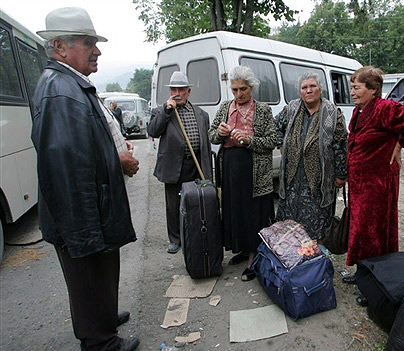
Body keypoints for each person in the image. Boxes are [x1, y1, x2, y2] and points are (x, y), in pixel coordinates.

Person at [32, 7, 139, 351]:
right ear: (61, 47)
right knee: (88, 277)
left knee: (100, 275)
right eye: (88, 42)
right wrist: (84, 234)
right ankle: (100, 341)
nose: (97, 50)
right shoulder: (61, 91)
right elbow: (67, 168)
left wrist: (113, 156)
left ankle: (102, 318)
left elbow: (86, 149)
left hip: (93, 209)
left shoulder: (69, 83)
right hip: (83, 216)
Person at [342, 66, 404, 305]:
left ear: (373, 90)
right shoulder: (359, 110)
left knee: (374, 233)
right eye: (352, 86)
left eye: (357, 87)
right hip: (360, 183)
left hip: (378, 184)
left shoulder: (386, 109)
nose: (352, 91)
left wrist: (401, 143)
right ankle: (363, 273)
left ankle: (375, 284)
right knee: (360, 231)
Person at [209, 66, 276, 281]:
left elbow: (272, 141)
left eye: (243, 89)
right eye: (235, 89)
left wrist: (249, 140)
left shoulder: (263, 110)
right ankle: (241, 248)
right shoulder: (224, 107)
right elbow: (211, 135)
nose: (239, 94)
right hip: (229, 165)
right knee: (234, 209)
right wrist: (219, 134)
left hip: (253, 167)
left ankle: (253, 256)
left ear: (251, 88)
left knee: (252, 212)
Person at [275, 72, 347, 243]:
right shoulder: (291, 109)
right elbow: (275, 126)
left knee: (317, 220)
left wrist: (341, 174)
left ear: (320, 89)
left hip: (320, 179)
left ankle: (315, 258)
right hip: (292, 177)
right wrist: (281, 144)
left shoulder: (332, 113)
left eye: (312, 86)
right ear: (300, 91)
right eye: (304, 87)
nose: (309, 90)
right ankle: (291, 255)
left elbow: (341, 144)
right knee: (290, 219)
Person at [148, 71, 212, 254]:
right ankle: (175, 239)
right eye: (173, 89)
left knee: (196, 202)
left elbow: (205, 144)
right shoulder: (161, 112)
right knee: (173, 205)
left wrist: (207, 171)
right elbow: (153, 131)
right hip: (174, 166)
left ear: (188, 91)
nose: (177, 92)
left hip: (195, 164)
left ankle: (193, 234)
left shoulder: (201, 114)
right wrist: (166, 111)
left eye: (181, 89)